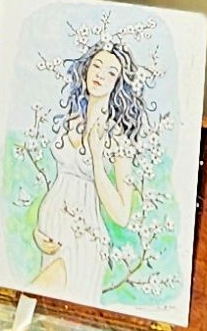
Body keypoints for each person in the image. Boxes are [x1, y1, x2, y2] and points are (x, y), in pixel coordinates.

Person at [32, 37, 145, 304]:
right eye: (97, 66)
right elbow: (61, 184)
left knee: (30, 303)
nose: (101, 76)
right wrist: (38, 230)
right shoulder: (72, 120)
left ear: (119, 84)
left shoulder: (117, 138)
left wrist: (96, 157)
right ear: (85, 70)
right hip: (51, 238)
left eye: (111, 72)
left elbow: (121, 213)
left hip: (83, 244)